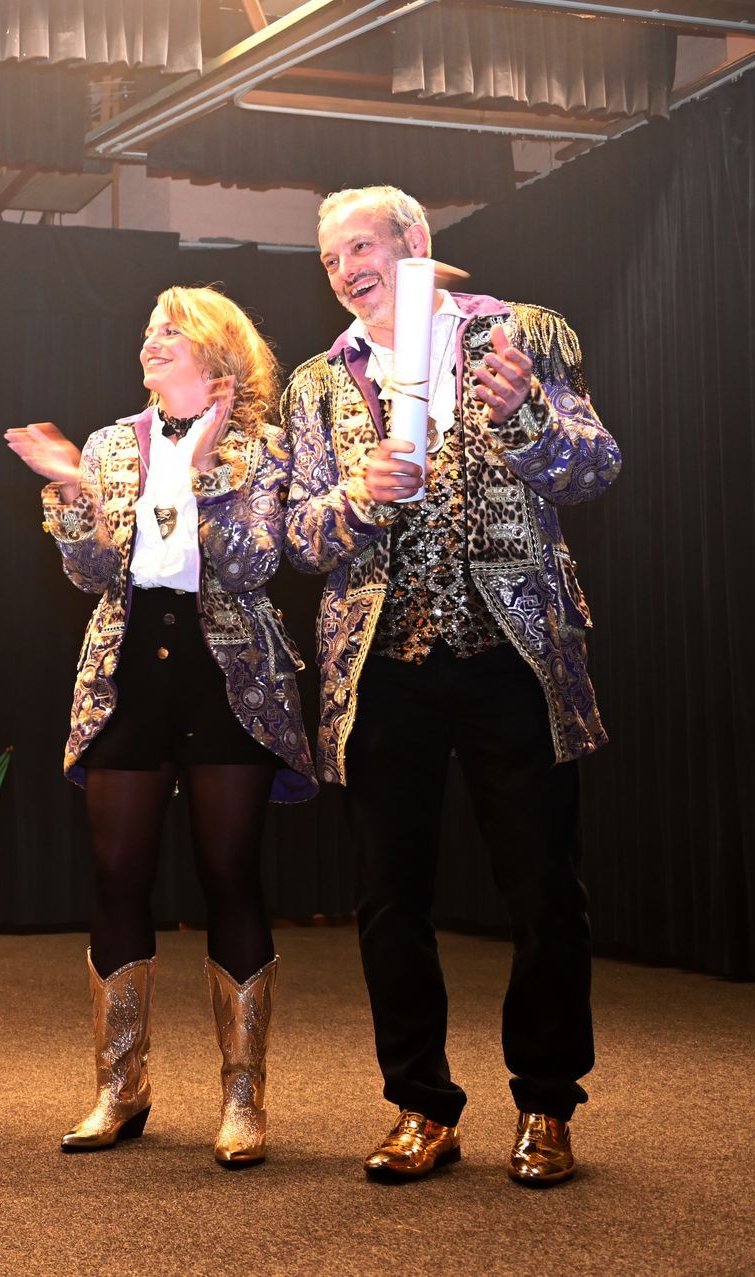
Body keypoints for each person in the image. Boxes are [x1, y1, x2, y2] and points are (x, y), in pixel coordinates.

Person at [284, 185, 620, 1186]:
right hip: (383, 667)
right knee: (390, 897)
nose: (346, 269)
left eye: (361, 246)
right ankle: (421, 1105)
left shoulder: (520, 336)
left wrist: (526, 420)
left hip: (514, 656)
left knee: (543, 889)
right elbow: (299, 535)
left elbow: (596, 467)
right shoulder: (319, 382)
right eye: (330, 258)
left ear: (415, 241)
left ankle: (547, 1102)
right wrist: (356, 499)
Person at [7, 286, 314, 1166]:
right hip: (128, 677)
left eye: (170, 330)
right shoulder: (111, 443)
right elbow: (91, 572)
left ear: (217, 352)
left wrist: (205, 470)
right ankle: (120, 1086)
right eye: (147, 330)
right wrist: (73, 489)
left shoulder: (262, 446)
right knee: (117, 876)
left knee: (230, 875)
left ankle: (244, 1096)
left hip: (228, 681)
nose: (151, 341)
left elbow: (254, 563)